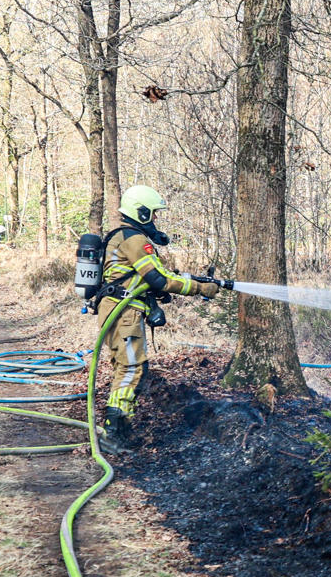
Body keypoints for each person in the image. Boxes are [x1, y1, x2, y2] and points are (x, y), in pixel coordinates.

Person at [95, 185, 230, 443]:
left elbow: (148, 277)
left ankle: (120, 427)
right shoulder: (134, 239)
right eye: (153, 213)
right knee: (132, 368)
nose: (156, 219)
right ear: (142, 212)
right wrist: (202, 287)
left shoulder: (126, 236)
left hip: (119, 311)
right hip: (123, 313)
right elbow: (158, 278)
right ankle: (113, 431)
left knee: (127, 368)